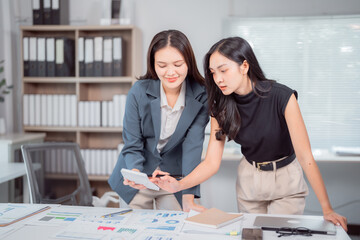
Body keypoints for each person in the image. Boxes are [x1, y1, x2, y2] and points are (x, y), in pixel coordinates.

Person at [153, 36, 347, 230]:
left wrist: (327, 208)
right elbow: (212, 162)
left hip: (286, 181)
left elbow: (305, 157)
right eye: (213, 73)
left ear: (244, 66)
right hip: (249, 181)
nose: (218, 78)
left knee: (277, 235)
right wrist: (179, 185)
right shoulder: (219, 106)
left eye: (223, 70)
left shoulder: (282, 97)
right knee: (252, 235)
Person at [108, 30, 209, 212]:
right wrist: (135, 174)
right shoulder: (139, 91)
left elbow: (193, 147)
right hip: (137, 178)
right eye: (162, 65)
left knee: (175, 230)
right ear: (153, 65)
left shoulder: (201, 95)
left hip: (173, 180)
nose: (170, 72)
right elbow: (132, 142)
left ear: (188, 63)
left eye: (178, 64)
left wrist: (189, 196)